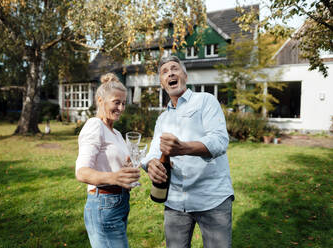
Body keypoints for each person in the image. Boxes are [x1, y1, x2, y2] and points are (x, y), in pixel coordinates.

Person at [141, 55, 234, 248]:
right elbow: (152, 153)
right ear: (162, 83)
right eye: (164, 72)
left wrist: (183, 148)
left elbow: (219, 141)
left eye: (174, 68)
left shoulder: (205, 101)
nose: (170, 73)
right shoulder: (162, 118)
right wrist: (150, 164)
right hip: (175, 201)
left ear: (185, 75)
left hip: (212, 199)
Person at [75, 73, 140, 248]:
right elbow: (81, 172)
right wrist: (115, 178)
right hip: (104, 205)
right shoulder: (94, 126)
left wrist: (127, 168)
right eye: (116, 102)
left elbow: (115, 166)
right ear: (100, 101)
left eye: (124, 103)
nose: (121, 108)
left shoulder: (116, 133)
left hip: (119, 202)